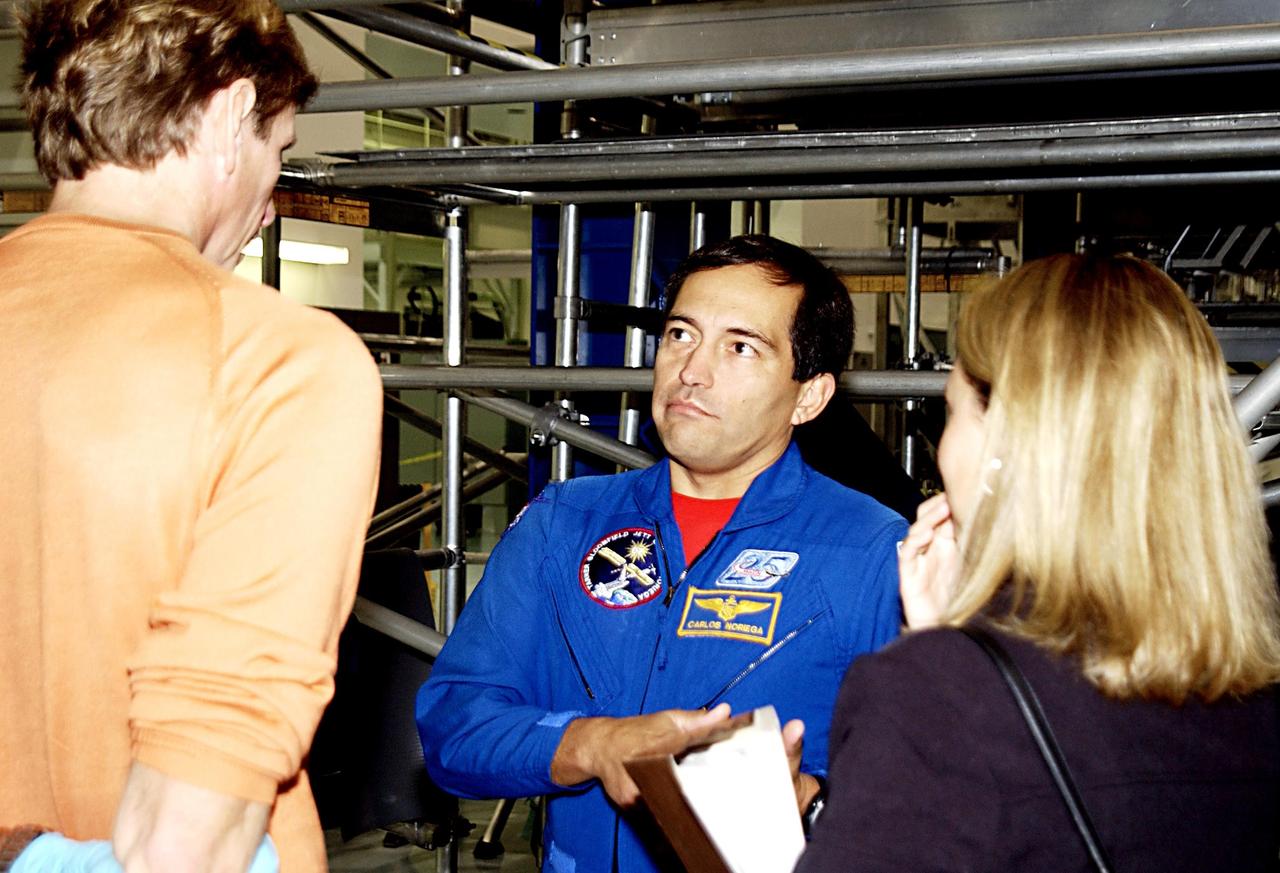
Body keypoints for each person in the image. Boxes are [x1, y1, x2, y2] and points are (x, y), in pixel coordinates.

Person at [0, 1, 383, 871]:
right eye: (276, 153)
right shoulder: (281, 360)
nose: (270, 207)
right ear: (226, 117)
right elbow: (187, 841)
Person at [417, 234, 906, 873]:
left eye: (739, 347)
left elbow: (942, 794)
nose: (692, 370)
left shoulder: (871, 552)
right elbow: (453, 729)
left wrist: (812, 801)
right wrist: (592, 745)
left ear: (809, 395)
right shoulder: (563, 524)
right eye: (681, 335)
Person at [797, 253, 1280, 873]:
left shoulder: (934, 697)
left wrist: (940, 665)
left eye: (953, 415)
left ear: (1004, 452)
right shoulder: (1249, 700)